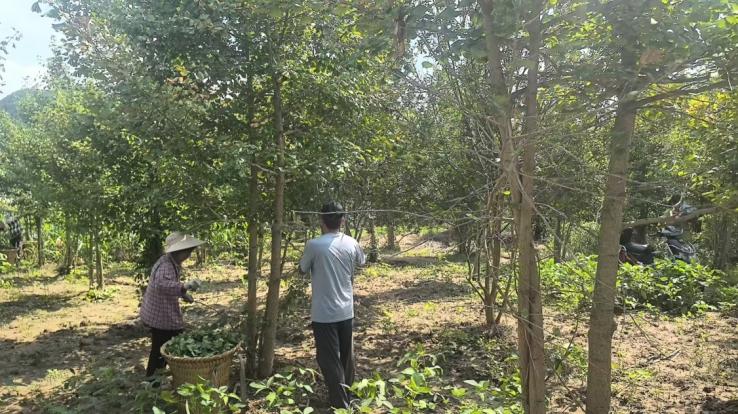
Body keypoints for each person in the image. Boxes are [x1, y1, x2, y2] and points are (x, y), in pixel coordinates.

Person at [299, 202, 365, 409]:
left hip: (323, 314)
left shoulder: (314, 245)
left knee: (328, 360)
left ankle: (340, 405)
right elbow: (362, 261)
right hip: (346, 310)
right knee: (346, 357)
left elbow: (302, 269)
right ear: (343, 220)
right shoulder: (351, 243)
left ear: (321, 220)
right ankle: (348, 397)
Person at [139, 231, 204, 379]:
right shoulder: (166, 266)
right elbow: (162, 285)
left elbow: (169, 285)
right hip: (161, 316)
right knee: (164, 347)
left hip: (159, 311)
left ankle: (155, 379)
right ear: (178, 252)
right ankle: (153, 381)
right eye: (186, 252)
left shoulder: (170, 262)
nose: (188, 255)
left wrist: (183, 294)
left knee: (162, 347)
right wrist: (185, 286)